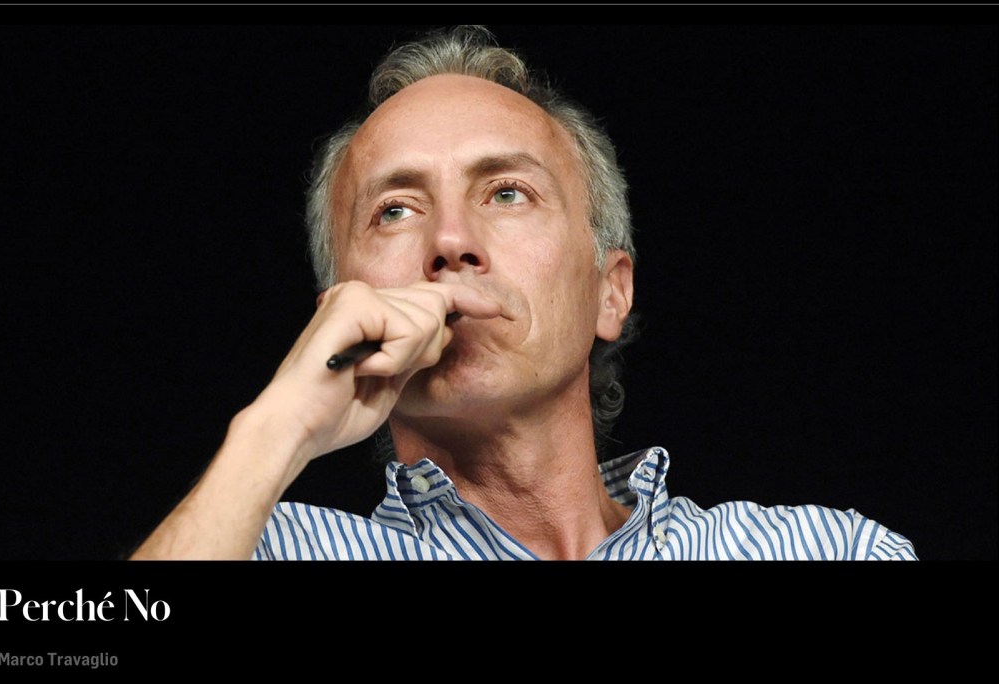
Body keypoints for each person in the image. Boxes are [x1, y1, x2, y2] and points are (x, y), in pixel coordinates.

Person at [131, 26, 916, 561]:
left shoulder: (829, 549)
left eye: (507, 193)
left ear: (610, 292)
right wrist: (275, 429)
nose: (450, 240)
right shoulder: (266, 548)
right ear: (335, 317)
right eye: (395, 210)